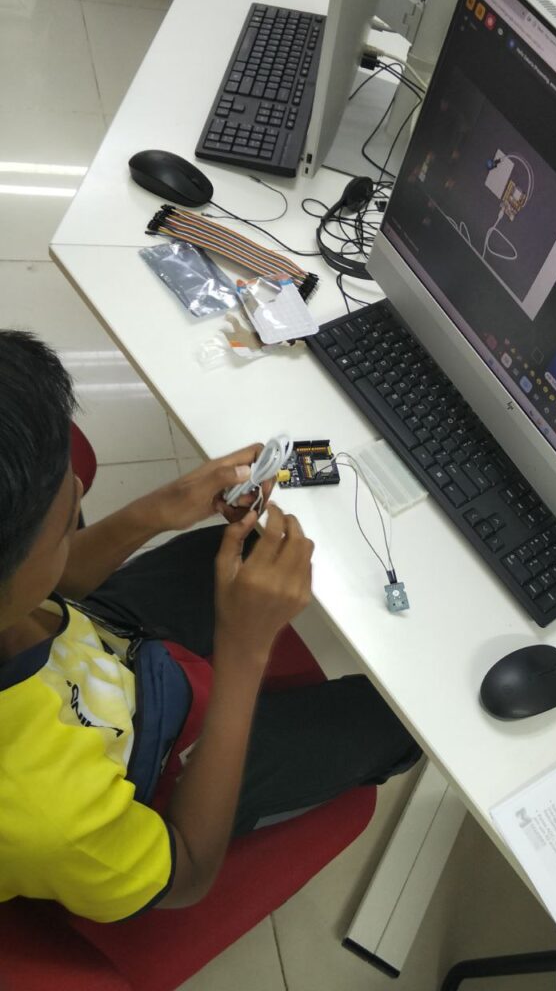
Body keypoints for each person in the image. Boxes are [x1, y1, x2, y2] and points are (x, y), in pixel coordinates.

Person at [0, 330, 420, 922]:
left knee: (246, 547)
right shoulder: (44, 812)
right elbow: (190, 870)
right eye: (66, 515)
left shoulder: (16, 601)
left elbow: (54, 584)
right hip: (153, 768)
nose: (77, 489)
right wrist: (244, 652)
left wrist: (162, 507)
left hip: (102, 640)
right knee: (399, 719)